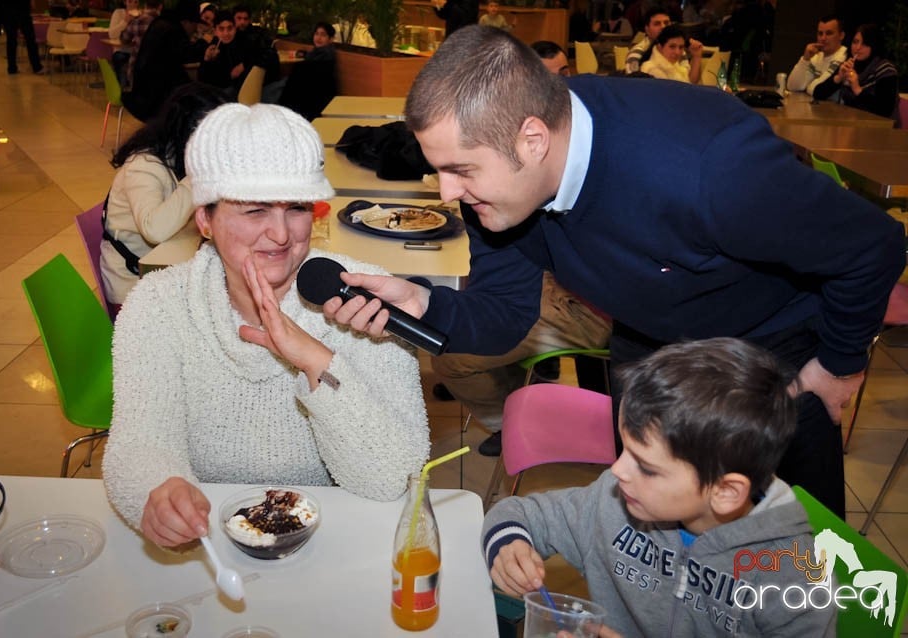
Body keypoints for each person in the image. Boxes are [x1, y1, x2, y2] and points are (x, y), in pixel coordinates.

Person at [322, 26, 905, 519]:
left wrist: (839, 366)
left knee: (787, 569)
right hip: (647, 352)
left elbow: (873, 246)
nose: (449, 192)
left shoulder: (710, 168)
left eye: (460, 169)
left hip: (769, 361)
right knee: (649, 560)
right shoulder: (498, 193)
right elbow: (504, 316)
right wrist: (424, 303)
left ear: (531, 140)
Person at [102, 103, 430, 546]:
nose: (281, 234)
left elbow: (394, 478)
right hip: (211, 541)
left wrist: (317, 361)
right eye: (255, 211)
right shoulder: (159, 305)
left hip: (334, 538)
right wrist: (158, 491)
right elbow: (138, 444)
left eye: (296, 208)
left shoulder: (365, 302)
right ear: (204, 219)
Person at [482, 338, 836, 636]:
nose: (617, 470)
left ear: (725, 492)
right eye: (625, 450)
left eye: (646, 467)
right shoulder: (615, 502)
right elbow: (523, 513)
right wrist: (509, 545)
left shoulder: (795, 578)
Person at [432, 39, 608, 458]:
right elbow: (499, 266)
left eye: (560, 76)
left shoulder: (569, 147)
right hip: (561, 286)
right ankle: (517, 400)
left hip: (593, 303)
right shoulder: (503, 157)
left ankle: (511, 420)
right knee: (460, 325)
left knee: (449, 356)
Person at [102, 83, 227, 307]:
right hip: (133, 288)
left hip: (164, 270)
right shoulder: (143, 165)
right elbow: (155, 230)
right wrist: (198, 175)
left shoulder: (175, 157)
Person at [123, 0, 203, 122]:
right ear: (186, 22)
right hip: (155, 99)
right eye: (195, 25)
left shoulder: (161, 23)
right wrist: (204, 45)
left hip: (141, 92)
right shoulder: (173, 31)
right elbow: (186, 55)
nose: (195, 29)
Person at [814, 23, 899, 119]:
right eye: (855, 42)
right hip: (852, 123)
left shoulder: (885, 70)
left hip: (880, 128)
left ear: (874, 45)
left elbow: (884, 110)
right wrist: (838, 78)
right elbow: (817, 93)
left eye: (864, 43)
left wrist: (857, 89)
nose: (858, 47)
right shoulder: (850, 64)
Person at [786, 15, 846, 97]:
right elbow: (792, 86)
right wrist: (805, 59)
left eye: (829, 33)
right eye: (820, 33)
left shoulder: (843, 56)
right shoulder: (817, 56)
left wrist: (807, 86)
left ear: (841, 36)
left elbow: (817, 90)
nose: (823, 38)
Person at [198, 9, 250, 95]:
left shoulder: (243, 43)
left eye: (230, 28)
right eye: (221, 29)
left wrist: (244, 64)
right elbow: (203, 80)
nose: (226, 33)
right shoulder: (211, 48)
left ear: (235, 29)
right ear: (215, 31)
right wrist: (206, 60)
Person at [120, 0, 161, 86]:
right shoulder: (164, 22)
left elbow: (124, 38)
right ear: (160, 6)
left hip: (137, 67)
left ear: (145, 5)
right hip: (159, 69)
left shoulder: (137, 20)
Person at [0, 0, 43, 75]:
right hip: (22, 9)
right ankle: (36, 66)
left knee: (11, 40)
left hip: (7, 10)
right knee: (30, 39)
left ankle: (12, 68)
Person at [624, 6, 671, 74]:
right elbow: (633, 80)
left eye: (666, 23)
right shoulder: (637, 52)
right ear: (647, 29)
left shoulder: (677, 49)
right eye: (657, 24)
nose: (663, 27)